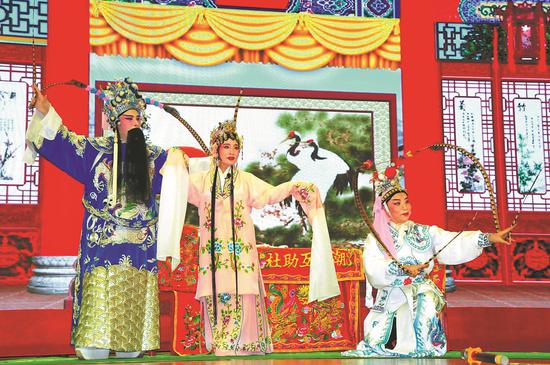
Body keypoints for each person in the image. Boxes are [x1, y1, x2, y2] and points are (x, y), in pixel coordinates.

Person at [158, 116, 340, 356]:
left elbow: (271, 194)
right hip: (213, 251)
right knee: (216, 291)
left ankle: (243, 341)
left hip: (241, 249)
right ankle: (221, 340)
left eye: (236, 147)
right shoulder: (201, 181)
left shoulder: (246, 181)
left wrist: (293, 187)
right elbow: (176, 185)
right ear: (216, 149)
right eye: (227, 147)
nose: (232, 151)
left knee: (243, 291)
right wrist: (176, 160)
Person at [25, 79, 176, 360]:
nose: (135, 122)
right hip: (103, 239)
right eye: (128, 117)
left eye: (139, 118)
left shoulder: (155, 156)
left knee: (134, 294)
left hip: (140, 243)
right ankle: (94, 345)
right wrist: (46, 110)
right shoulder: (95, 151)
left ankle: (132, 345)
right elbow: (63, 140)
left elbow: (180, 179)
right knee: (100, 291)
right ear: (115, 120)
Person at [344, 172, 513, 358]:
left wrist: (489, 238)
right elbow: (373, 266)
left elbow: (453, 240)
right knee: (377, 341)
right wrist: (401, 268)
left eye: (407, 201)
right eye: (397, 203)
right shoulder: (375, 238)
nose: (405, 207)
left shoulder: (424, 232)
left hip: (420, 289)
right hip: (392, 293)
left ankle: (424, 348)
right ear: (385, 209)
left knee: (427, 300)